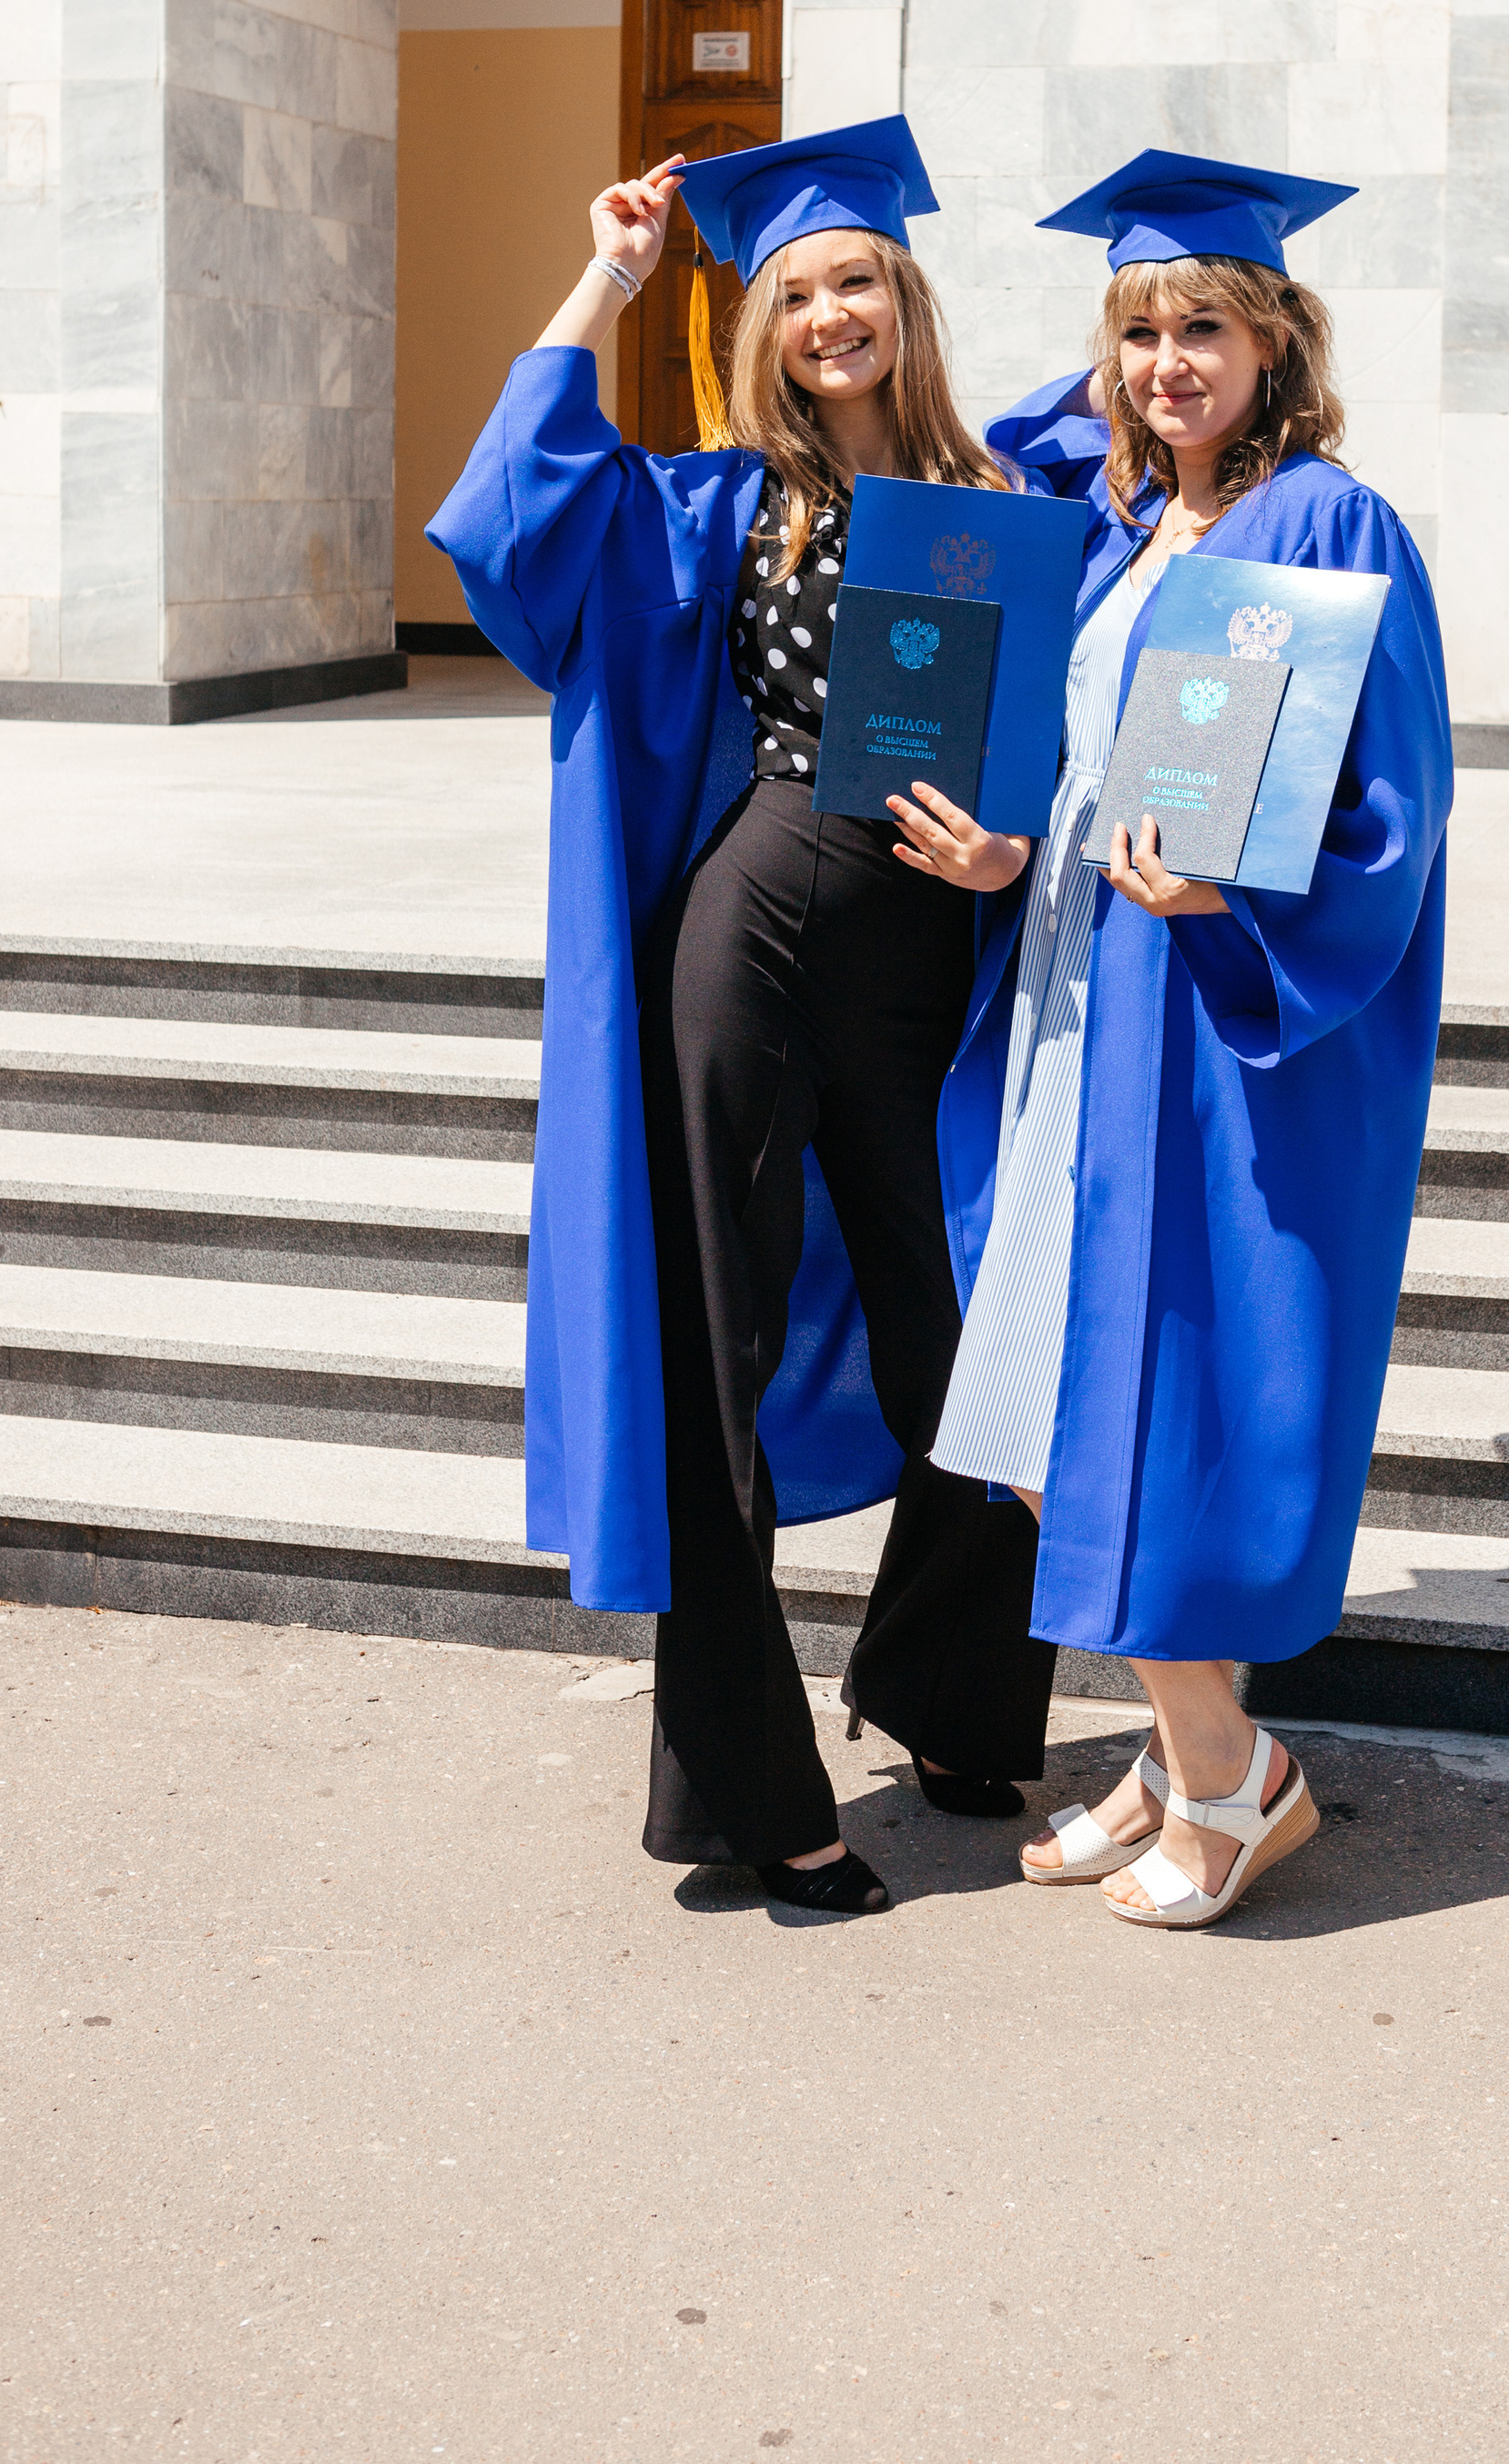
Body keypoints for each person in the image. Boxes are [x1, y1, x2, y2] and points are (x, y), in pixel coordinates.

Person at [427, 116, 1058, 1920]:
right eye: (796, 289)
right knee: (713, 1356)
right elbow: (513, 507)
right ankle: (754, 1795)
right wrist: (612, 269)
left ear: (904, 301)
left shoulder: (1005, 503)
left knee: (969, 1339)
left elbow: (1067, 730)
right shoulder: (713, 503)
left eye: (857, 279)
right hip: (751, 937)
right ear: (761, 324)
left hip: (929, 955)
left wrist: (1011, 846)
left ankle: (947, 1689)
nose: (831, 312)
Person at [930, 148, 1453, 1931]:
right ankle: (1187, 1755)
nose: (1167, 359)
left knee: (1142, 1386)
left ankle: (1229, 1778)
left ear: (1277, 341)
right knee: (1024, 1383)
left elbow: (1389, 808)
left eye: (1205, 325)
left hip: (1210, 1024)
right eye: (1138, 329)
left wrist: (1236, 911)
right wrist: (1015, 853)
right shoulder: (1113, 530)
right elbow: (1075, 741)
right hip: (1073, 1001)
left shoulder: (1322, 521)